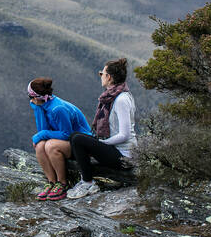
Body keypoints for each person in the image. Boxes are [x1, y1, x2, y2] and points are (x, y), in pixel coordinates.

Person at [67, 58, 137, 199]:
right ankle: (85, 180)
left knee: (79, 140)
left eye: (102, 73)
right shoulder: (114, 96)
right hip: (116, 149)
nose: (101, 76)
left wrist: (102, 143)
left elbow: (125, 134)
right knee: (75, 136)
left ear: (109, 77)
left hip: (124, 156)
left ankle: (87, 182)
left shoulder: (121, 99)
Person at [28, 77, 91, 201]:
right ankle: (51, 182)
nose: (30, 100)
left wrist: (41, 135)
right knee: (41, 146)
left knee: (50, 145)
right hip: (68, 142)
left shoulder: (58, 109)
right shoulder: (44, 105)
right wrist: (37, 109)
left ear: (36, 97)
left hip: (81, 145)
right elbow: (43, 130)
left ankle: (62, 183)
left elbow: (67, 134)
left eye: (30, 97)